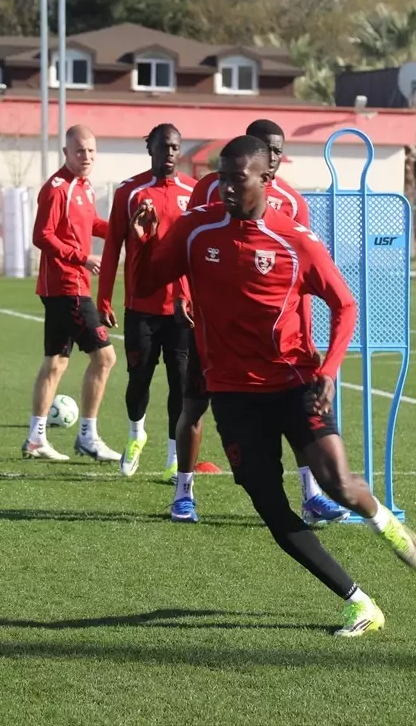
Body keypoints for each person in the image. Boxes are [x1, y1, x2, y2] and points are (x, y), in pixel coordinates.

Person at [130, 135, 416, 637]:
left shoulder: (297, 242)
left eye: (235, 177)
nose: (223, 187)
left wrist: (329, 369)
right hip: (232, 393)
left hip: (294, 382)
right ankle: (360, 604)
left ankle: (383, 520)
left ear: (267, 179)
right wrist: (147, 239)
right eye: (220, 176)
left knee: (338, 483)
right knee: (271, 507)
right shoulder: (196, 231)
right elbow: (150, 281)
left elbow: (346, 305)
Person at [177, 118, 348, 525]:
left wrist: (308, 340)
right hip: (214, 331)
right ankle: (184, 490)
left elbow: (302, 283)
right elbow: (188, 246)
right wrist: (184, 293)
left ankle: (312, 495)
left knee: (295, 418)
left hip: (275, 346)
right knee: (193, 408)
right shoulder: (214, 189)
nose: (273, 156)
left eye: (278, 150)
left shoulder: (292, 201)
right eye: (267, 147)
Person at [96, 124, 197, 478]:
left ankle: (174, 455)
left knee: (181, 383)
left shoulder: (194, 192)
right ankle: (136, 435)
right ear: (150, 149)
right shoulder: (130, 192)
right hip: (141, 305)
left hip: (183, 309)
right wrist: (104, 297)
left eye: (175, 148)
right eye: (163, 147)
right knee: (138, 379)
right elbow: (112, 248)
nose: (169, 153)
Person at [23, 125, 121, 463]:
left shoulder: (85, 188)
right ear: (66, 152)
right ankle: (88, 437)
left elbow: (91, 223)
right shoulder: (56, 188)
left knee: (56, 363)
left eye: (92, 151)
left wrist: (123, 232)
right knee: (105, 358)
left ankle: (36, 439)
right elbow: (42, 235)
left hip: (70, 286)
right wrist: (81, 257)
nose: (87, 157)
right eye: (80, 151)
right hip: (67, 286)